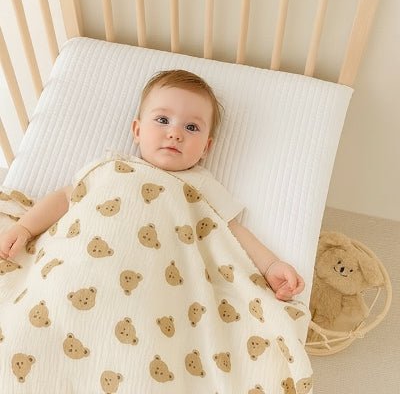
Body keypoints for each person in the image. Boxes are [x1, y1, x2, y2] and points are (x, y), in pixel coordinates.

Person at [0, 69, 304, 301]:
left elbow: (234, 231)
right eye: (162, 120)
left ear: (206, 147)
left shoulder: (202, 185)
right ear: (137, 130)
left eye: (191, 127)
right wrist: (25, 227)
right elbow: (66, 198)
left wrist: (270, 265)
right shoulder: (112, 167)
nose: (175, 133)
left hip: (157, 283)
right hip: (81, 265)